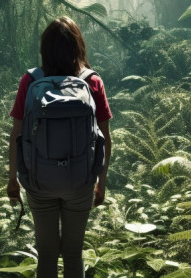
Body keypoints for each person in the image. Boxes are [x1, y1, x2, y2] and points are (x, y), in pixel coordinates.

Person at [7, 16, 113, 278]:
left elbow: (17, 135)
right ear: (78, 46)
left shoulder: (30, 81)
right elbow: (105, 137)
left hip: (39, 182)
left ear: (45, 48)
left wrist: (13, 179)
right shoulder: (92, 81)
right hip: (80, 181)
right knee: (73, 252)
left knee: (47, 252)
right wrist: (101, 179)